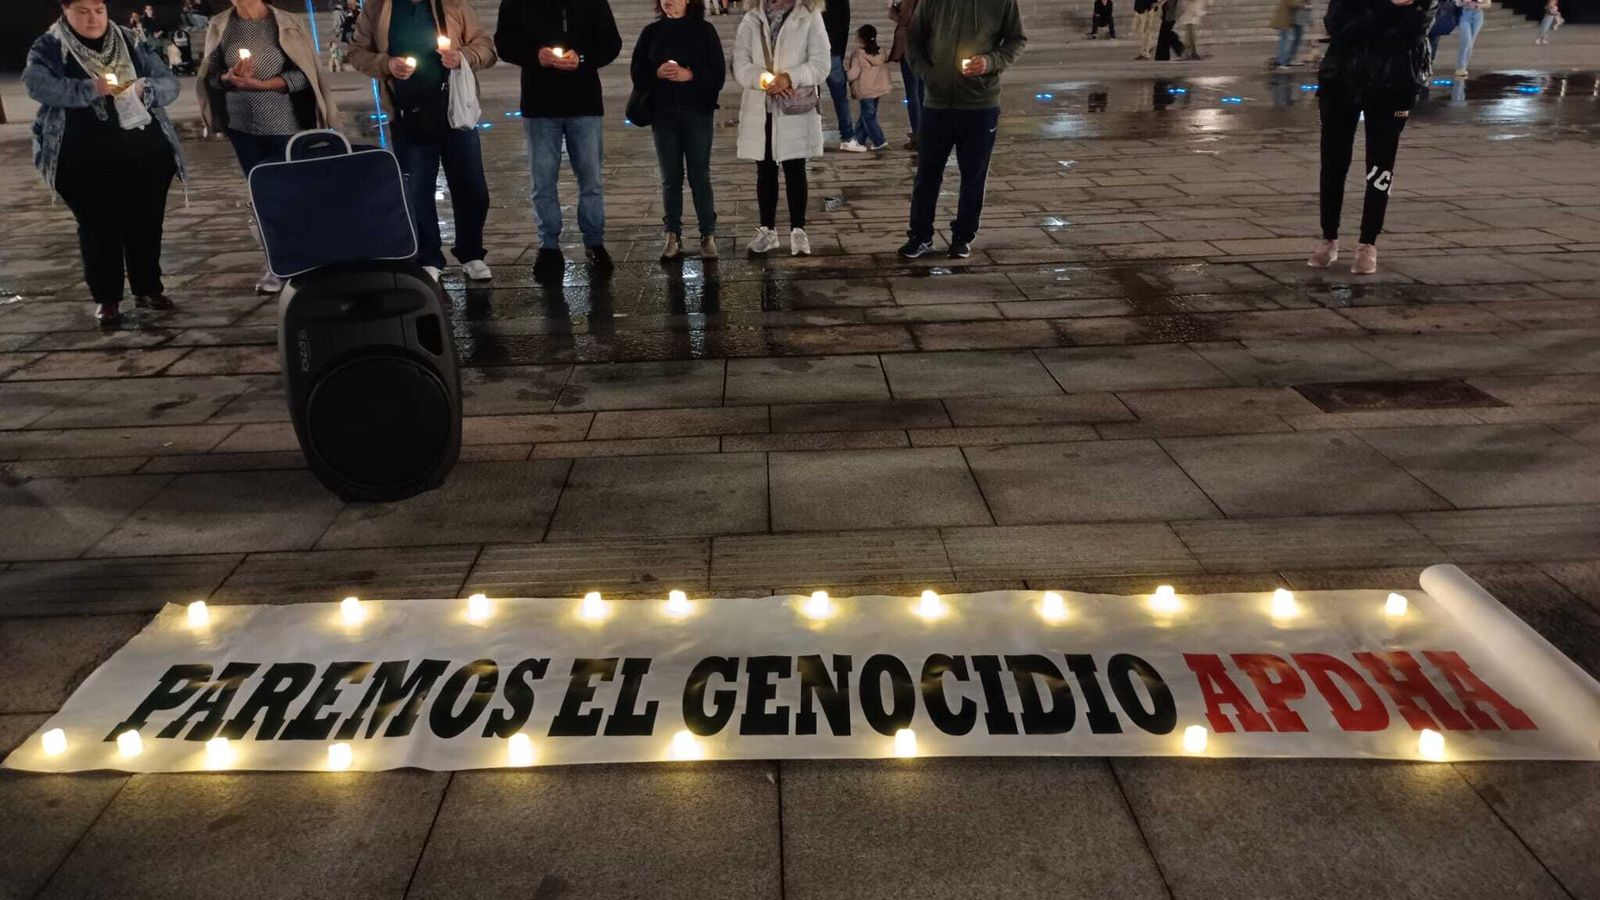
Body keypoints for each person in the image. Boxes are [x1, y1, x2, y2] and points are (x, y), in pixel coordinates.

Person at [25, 0, 185, 326]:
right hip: (83, 159)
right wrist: (91, 88)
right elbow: (37, 84)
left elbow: (168, 81)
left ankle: (148, 286)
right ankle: (108, 297)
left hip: (145, 152)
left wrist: (147, 89)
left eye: (98, 10)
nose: (92, 19)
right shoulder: (51, 45)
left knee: (146, 223)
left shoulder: (130, 39)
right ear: (66, 10)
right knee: (99, 229)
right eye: (82, 11)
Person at [348, 0, 497, 283]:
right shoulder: (378, 8)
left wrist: (462, 56)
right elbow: (356, 52)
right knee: (417, 191)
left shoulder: (453, 4)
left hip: (455, 112)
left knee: (472, 188)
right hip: (408, 114)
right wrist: (386, 64)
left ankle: (471, 252)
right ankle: (429, 256)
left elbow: (487, 49)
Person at [200, 0, 339, 294]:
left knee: (293, 195)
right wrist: (227, 78)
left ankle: (309, 259)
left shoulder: (285, 22)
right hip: (242, 130)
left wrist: (266, 85)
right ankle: (277, 263)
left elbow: (307, 74)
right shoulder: (221, 25)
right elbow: (210, 78)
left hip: (285, 128)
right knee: (261, 197)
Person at [495, 0, 623, 282]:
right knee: (542, 180)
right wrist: (534, 55)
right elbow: (504, 43)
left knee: (591, 179)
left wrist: (583, 58)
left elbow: (611, 43)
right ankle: (549, 245)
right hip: (540, 104)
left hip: (584, 102)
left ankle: (594, 242)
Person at [1310, 0, 1435, 275]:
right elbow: (1337, 27)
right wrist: (1385, 6)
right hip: (1340, 81)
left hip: (1393, 84)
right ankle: (1328, 236)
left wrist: (1370, 18)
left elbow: (1413, 32)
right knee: (1332, 161)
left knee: (1381, 166)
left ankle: (1368, 242)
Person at [898, 0, 1026, 259]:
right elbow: (914, 37)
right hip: (937, 103)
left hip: (980, 104)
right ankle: (920, 235)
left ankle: (962, 236)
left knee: (974, 176)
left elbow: (1016, 39)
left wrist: (990, 62)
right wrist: (927, 74)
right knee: (926, 175)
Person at [733, 0, 830, 256]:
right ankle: (767, 230)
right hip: (761, 105)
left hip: (792, 105)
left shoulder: (809, 16)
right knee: (764, 169)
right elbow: (740, 62)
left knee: (795, 168)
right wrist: (761, 80)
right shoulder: (752, 17)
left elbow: (821, 64)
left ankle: (798, 229)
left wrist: (790, 77)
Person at [630, 0, 725, 260]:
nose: (668, 1)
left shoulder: (704, 31)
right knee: (670, 178)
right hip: (663, 114)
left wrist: (690, 75)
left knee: (699, 175)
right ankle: (672, 233)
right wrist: (656, 72)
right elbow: (637, 72)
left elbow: (718, 75)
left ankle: (708, 234)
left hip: (697, 113)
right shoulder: (652, 32)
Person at [841, 24, 889, 152]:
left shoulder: (858, 55)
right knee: (866, 115)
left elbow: (854, 74)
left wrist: (843, 75)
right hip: (877, 89)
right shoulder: (881, 52)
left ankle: (879, 141)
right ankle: (858, 139)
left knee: (868, 117)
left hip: (865, 90)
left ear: (861, 39)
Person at [887, 0, 921, 149]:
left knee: (913, 92)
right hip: (926, 48)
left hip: (910, 47)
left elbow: (905, 19)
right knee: (922, 91)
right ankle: (925, 131)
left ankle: (918, 133)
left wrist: (895, 8)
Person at [822, 0, 852, 149]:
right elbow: (845, 22)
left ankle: (811, 135)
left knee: (810, 95)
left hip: (820, 51)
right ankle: (847, 135)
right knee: (840, 97)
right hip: (833, 50)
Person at [1270, 0, 1312, 67]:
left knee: (1286, 40)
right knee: (1284, 40)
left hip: (1289, 18)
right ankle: (1282, 62)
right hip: (1284, 19)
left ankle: (1285, 60)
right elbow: (1291, 3)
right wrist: (1304, 6)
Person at [1452, 0, 1487, 76]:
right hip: (1465, 14)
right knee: (1466, 42)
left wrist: (1480, 5)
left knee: (1471, 43)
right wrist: (1466, 3)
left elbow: (1488, 3)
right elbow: (1457, 3)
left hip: (1478, 15)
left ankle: (1464, 67)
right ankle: (1460, 67)